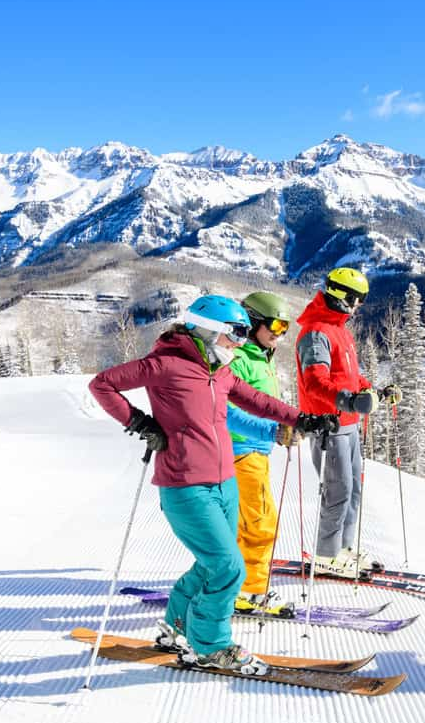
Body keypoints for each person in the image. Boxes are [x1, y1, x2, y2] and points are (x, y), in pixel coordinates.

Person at [89, 294, 336, 675]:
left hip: (224, 481)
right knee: (228, 566)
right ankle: (211, 646)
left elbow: (257, 401)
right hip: (185, 485)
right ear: (209, 330)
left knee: (212, 563)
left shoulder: (219, 371)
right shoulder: (165, 364)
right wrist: (139, 423)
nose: (240, 341)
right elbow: (102, 384)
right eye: (234, 334)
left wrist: (302, 419)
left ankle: (178, 628)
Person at [294, 267, 401, 578]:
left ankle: (343, 549)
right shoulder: (316, 333)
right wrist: (350, 401)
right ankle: (327, 555)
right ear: (341, 297)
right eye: (357, 299)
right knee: (337, 490)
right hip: (329, 425)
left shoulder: (338, 329)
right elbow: (315, 383)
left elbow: (348, 378)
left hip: (349, 424)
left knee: (353, 489)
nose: (359, 306)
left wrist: (373, 391)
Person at [224, 291, 297, 616]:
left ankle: (233, 585)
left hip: (255, 453)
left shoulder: (257, 359)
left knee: (244, 524)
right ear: (254, 323)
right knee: (260, 523)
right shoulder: (239, 360)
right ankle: (250, 592)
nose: (280, 334)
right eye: (276, 326)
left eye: (285, 328)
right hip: (242, 452)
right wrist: (271, 431)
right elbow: (223, 409)